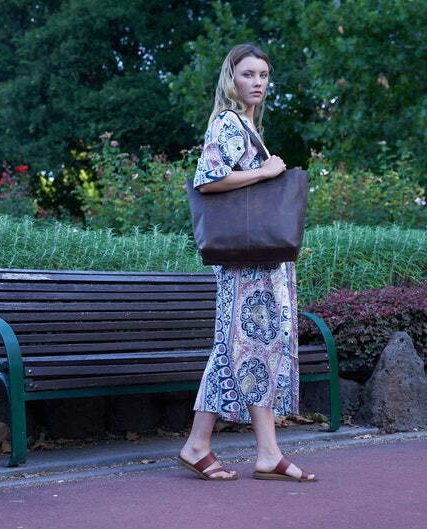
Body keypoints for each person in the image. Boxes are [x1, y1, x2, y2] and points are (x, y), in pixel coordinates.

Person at [177, 44, 317, 483]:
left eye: (263, 75)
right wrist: (265, 172)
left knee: (249, 350)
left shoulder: (248, 127)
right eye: (248, 74)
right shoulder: (229, 122)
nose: (257, 82)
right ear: (231, 79)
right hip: (244, 266)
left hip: (257, 263)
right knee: (239, 348)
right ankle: (206, 446)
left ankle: (261, 452)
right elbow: (208, 179)